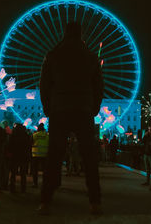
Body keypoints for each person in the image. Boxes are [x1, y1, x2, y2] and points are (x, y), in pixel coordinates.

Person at [38, 21, 104, 215]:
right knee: (90, 157)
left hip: (60, 109)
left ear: (64, 33)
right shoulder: (91, 57)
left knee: (54, 157)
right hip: (83, 109)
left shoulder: (53, 55)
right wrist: (94, 108)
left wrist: (48, 108)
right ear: (80, 34)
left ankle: (45, 201)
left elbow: (44, 85)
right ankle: (95, 201)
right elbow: (99, 85)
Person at [9, 124, 31, 193]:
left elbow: (10, 145)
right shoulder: (26, 136)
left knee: (13, 173)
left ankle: (12, 188)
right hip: (23, 156)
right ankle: (23, 188)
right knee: (23, 174)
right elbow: (29, 146)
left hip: (14, 156)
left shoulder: (13, 136)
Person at [31, 123, 49, 188]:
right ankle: (45, 183)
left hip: (35, 155)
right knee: (45, 170)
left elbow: (31, 143)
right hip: (44, 155)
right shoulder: (47, 135)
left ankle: (35, 183)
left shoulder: (35, 135)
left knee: (35, 171)